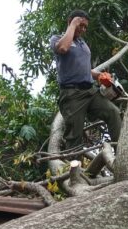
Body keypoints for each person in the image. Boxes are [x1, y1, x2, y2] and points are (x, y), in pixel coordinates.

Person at [50, 10, 121, 150]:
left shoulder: (82, 43)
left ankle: (121, 155)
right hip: (72, 95)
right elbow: (63, 48)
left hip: (90, 91)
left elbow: (85, 69)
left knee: (113, 112)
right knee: (74, 136)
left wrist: (99, 76)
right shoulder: (57, 39)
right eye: (80, 25)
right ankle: (74, 168)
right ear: (70, 21)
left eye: (85, 27)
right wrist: (73, 25)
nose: (83, 29)